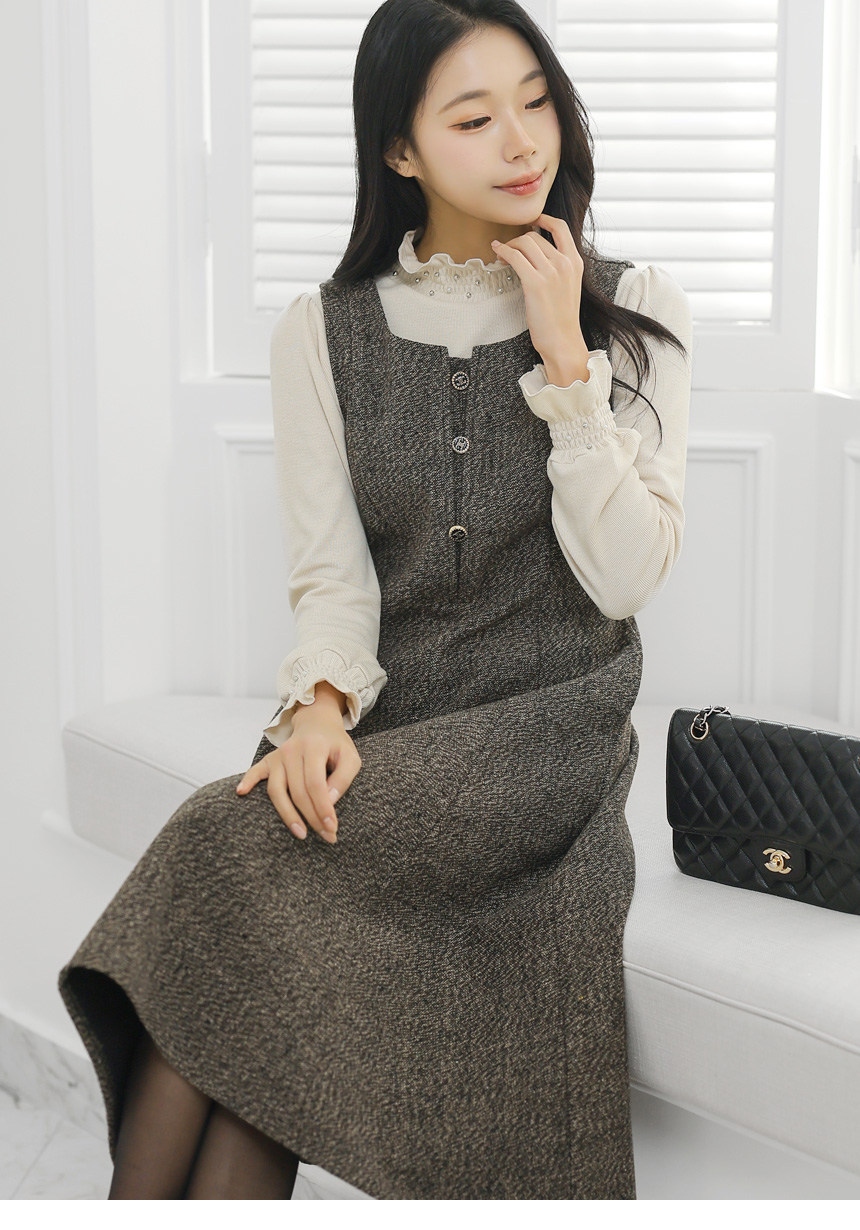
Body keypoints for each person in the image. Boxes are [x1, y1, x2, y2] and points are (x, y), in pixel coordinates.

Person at [58, 0, 692, 1200]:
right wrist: (317, 709)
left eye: (535, 102)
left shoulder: (632, 304)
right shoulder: (323, 329)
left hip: (543, 738)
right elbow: (331, 576)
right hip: (388, 725)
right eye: (473, 117)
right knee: (252, 995)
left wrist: (565, 360)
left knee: (217, 847)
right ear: (399, 149)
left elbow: (624, 576)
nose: (521, 142)